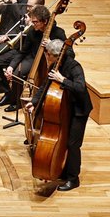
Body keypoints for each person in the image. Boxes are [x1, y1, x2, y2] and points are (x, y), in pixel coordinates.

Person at [27, 38, 91, 191]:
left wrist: (63, 80)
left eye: (48, 54)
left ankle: (73, 179)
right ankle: (62, 170)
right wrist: (35, 101)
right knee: (62, 140)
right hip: (64, 108)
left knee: (72, 144)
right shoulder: (55, 65)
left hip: (79, 110)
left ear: (56, 55)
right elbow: (44, 85)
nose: (46, 57)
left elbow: (80, 88)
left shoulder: (74, 67)